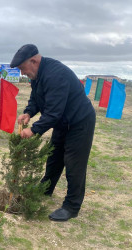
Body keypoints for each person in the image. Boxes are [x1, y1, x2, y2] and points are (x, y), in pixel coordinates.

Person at [10, 44, 96, 221]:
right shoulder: (37, 75)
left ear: (33, 61)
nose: (22, 73)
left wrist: (33, 130)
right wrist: (28, 112)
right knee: (54, 157)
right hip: (63, 123)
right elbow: (36, 99)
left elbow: (53, 112)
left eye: (22, 68)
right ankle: (46, 189)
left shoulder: (56, 75)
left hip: (79, 122)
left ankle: (71, 207)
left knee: (74, 164)